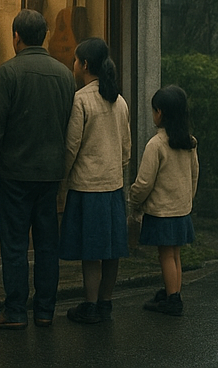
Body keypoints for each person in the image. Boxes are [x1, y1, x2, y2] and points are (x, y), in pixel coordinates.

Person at [0, 8, 76, 329]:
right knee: (48, 244)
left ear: (16, 36)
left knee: (15, 244)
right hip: (50, 173)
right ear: (45, 36)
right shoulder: (64, 74)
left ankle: (16, 311)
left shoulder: (8, 73)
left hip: (14, 173)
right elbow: (68, 124)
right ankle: (46, 311)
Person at [59, 37, 131, 324]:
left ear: (85, 65)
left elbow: (70, 147)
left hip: (87, 187)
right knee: (111, 249)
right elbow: (126, 149)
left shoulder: (81, 100)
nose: (73, 65)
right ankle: (105, 303)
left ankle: (89, 305)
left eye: (76, 60)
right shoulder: (120, 100)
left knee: (91, 251)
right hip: (113, 186)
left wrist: (61, 179)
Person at [129, 84, 199, 317]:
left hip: (162, 211)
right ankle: (174, 291)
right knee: (175, 253)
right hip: (181, 208)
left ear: (160, 112)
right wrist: (188, 200)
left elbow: (144, 182)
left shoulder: (156, 144)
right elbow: (194, 174)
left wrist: (134, 200)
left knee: (165, 255)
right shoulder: (189, 142)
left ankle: (172, 298)